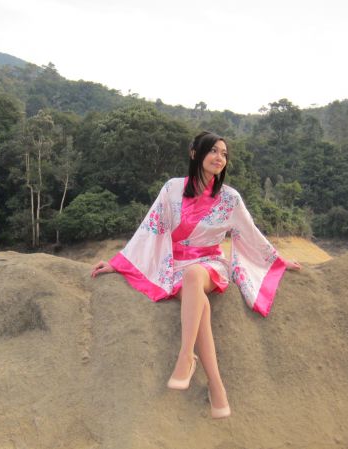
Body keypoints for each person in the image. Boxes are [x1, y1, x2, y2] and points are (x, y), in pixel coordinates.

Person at [91, 131, 302, 419]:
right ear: (195, 153)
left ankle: (185, 356)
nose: (219, 157)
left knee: (193, 277)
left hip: (209, 264)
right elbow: (151, 228)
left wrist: (278, 260)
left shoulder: (230, 198)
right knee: (199, 306)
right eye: (213, 151)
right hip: (174, 264)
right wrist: (119, 263)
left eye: (224, 154)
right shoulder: (172, 189)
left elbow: (249, 233)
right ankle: (216, 386)